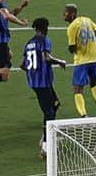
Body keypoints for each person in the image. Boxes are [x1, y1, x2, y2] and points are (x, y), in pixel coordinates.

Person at [23, 17, 66, 157]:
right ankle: (46, 146)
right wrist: (60, 61)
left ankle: (45, 135)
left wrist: (33, 72)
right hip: (43, 82)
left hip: (35, 82)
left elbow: (23, 65)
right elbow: (46, 58)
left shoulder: (28, 43)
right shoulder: (44, 40)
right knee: (49, 112)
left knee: (55, 104)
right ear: (45, 27)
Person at [64, 3, 96, 116]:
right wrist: (88, 36)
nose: (64, 14)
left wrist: (80, 42)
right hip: (95, 58)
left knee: (78, 89)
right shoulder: (87, 20)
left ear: (72, 14)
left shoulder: (72, 27)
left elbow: (72, 48)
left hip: (82, 61)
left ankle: (83, 115)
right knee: (94, 84)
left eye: (66, 12)